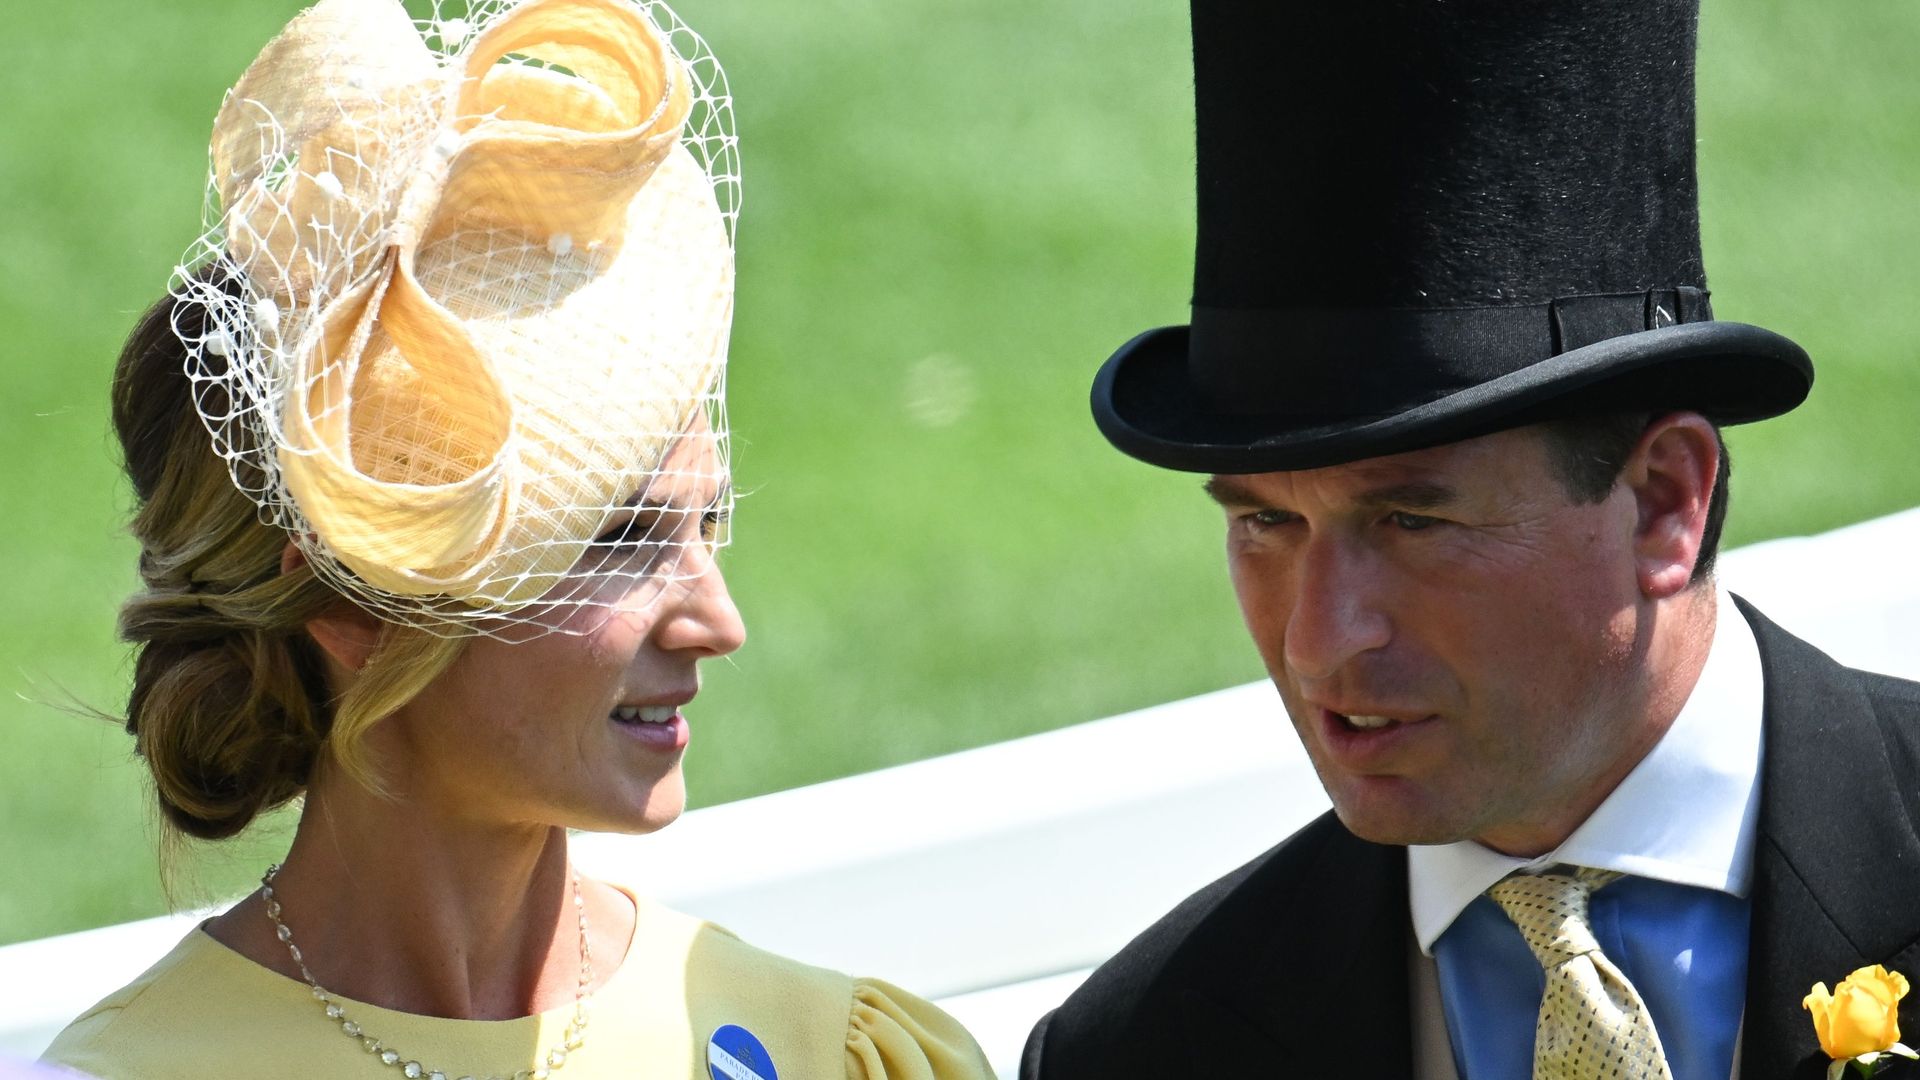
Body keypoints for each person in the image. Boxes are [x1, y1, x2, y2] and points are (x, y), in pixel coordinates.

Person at [40, 1, 994, 1078]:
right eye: (617, 539)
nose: (718, 623)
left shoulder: (818, 1046)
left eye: (706, 525)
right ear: (353, 608)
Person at [1021, 1, 1920, 1079]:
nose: (1318, 642)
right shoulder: (1137, 1052)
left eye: (1412, 521)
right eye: (1267, 521)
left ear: (1664, 502)